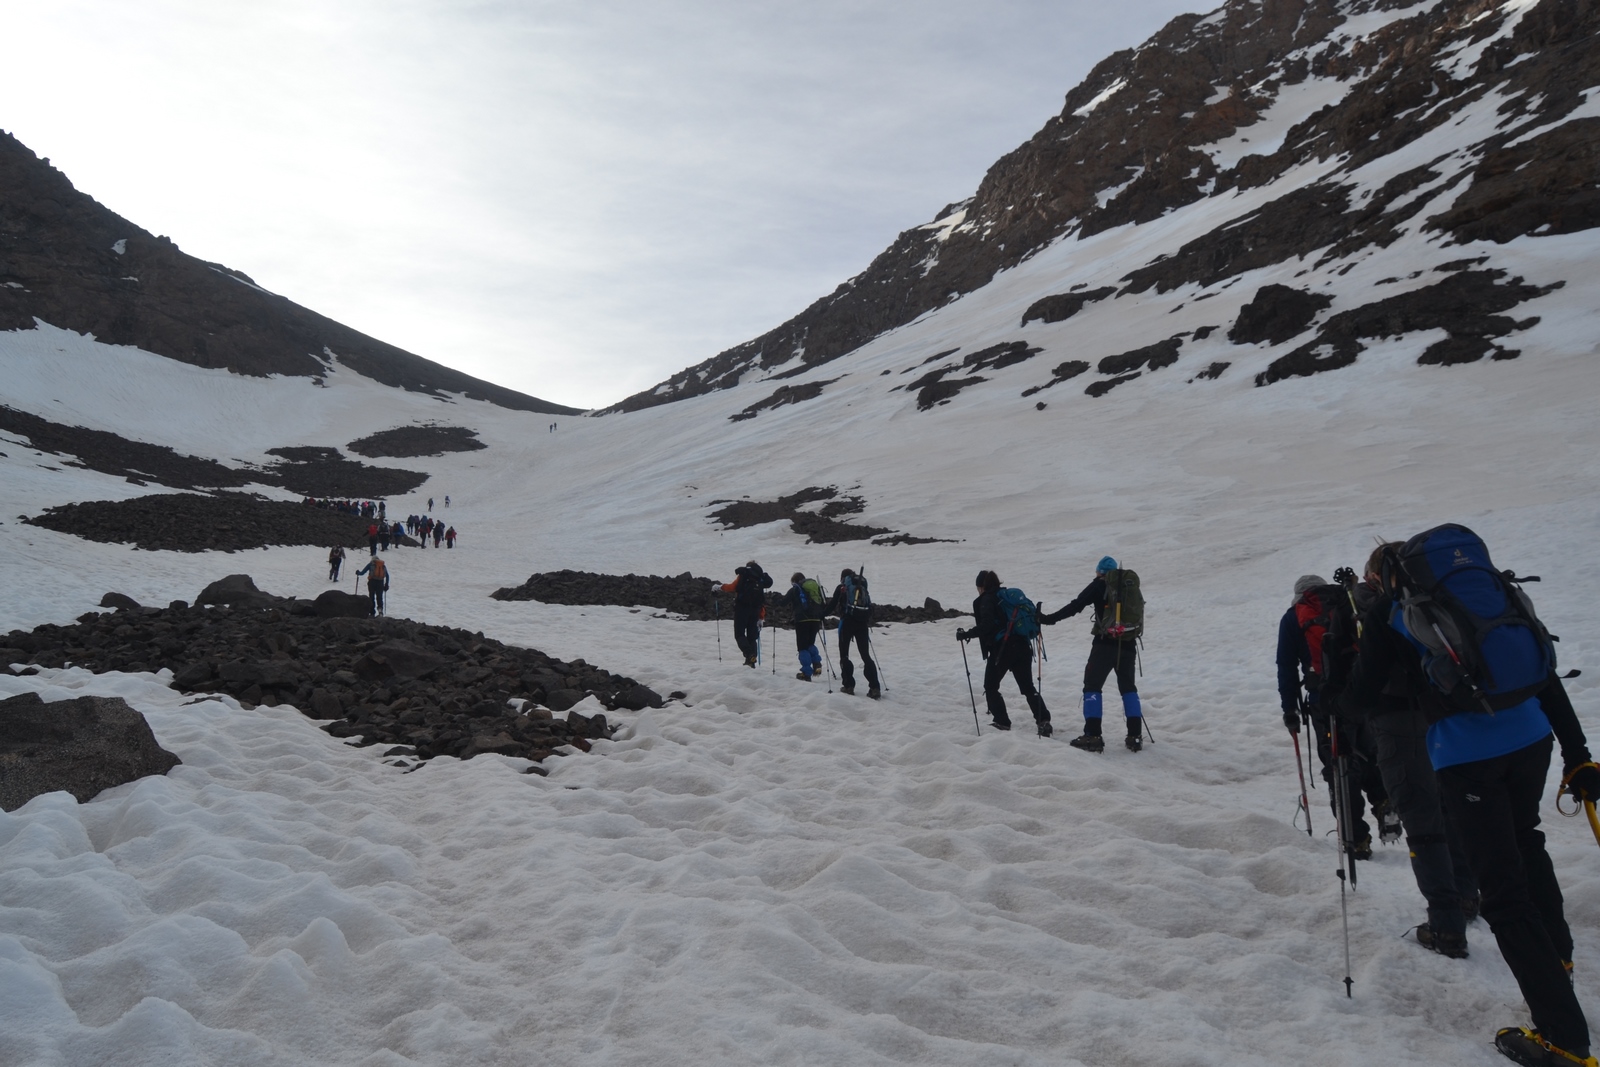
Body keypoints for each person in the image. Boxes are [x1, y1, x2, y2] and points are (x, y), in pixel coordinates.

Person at [1348, 537, 1600, 1067]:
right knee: (1528, 842)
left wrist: (1334, 695)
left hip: (1468, 758)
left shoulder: (1395, 614)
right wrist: (1579, 756)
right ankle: (1556, 962)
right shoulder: (1483, 599)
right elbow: (1544, 674)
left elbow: (1364, 692)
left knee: (1503, 893)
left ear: (1384, 578)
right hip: (1533, 738)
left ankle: (1564, 1039)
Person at [1339, 547, 1478, 958]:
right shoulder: (1442, 600)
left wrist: (1340, 710)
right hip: (1450, 721)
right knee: (1452, 808)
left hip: (1397, 726)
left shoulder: (1384, 611)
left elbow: (1366, 683)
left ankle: (1446, 925)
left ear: (1377, 574)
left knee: (1422, 820)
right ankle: (1467, 895)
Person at [1276, 573, 1390, 859]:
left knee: (1339, 763)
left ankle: (1356, 839)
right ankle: (1385, 801)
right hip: (1362, 695)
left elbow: (1286, 667)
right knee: (1370, 752)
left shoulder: (1293, 618)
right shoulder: (1347, 604)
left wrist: (1289, 709)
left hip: (1323, 700)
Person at [1041, 556, 1142, 752]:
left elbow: (1076, 605)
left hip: (1104, 644)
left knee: (1092, 686)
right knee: (1128, 688)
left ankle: (1093, 736)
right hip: (1128, 644)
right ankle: (1135, 735)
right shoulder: (1128, 587)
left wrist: (1049, 619)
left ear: (1099, 572)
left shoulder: (1099, 585)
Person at [957, 570, 1051, 735]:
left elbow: (987, 625)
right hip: (1022, 646)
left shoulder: (987, 599)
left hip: (1003, 648)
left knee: (991, 686)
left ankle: (1002, 721)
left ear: (981, 586)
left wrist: (966, 634)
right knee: (1028, 687)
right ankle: (1043, 720)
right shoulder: (1007, 597)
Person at [829, 568, 880, 698]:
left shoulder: (842, 587)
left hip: (847, 622)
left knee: (844, 655)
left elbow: (833, 604)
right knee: (865, 656)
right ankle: (875, 687)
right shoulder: (861, 586)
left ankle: (848, 686)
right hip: (862, 622)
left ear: (843, 578)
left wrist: (821, 614)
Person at [720, 561, 772, 667]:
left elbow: (733, 587)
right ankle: (751, 660)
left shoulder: (745, 573)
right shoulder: (760, 577)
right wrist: (761, 616)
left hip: (742, 608)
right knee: (752, 636)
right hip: (755, 609)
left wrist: (721, 587)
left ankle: (749, 655)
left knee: (739, 634)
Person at [783, 573, 826, 681]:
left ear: (794, 581)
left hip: (802, 620)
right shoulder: (815, 588)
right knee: (810, 643)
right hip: (815, 619)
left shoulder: (796, 589)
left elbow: (783, 602)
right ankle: (817, 663)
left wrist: (775, 600)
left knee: (802, 647)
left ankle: (806, 673)